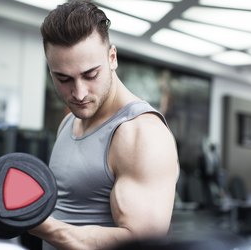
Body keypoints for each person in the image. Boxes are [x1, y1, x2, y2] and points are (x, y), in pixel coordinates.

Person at [29, 1, 179, 249]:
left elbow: (142, 243)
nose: (78, 93)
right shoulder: (69, 122)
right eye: (63, 78)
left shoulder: (140, 133)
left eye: (90, 75)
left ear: (112, 58)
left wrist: (39, 224)